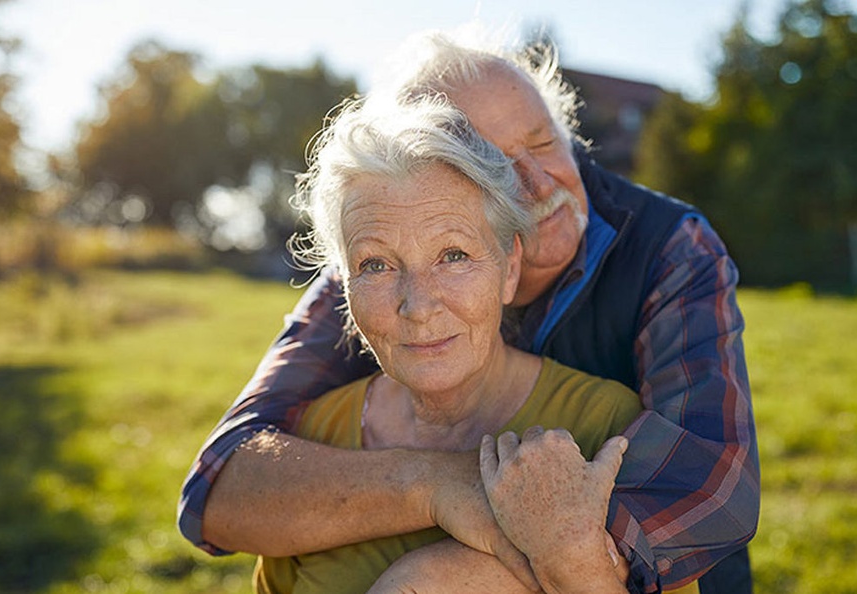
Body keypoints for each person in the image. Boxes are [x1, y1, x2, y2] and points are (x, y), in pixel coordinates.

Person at [179, 28, 759, 594]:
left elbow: (713, 480)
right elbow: (221, 484)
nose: (535, 185)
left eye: (541, 142)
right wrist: (443, 483)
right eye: (493, 163)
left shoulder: (668, 248)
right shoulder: (377, 253)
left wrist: (531, 553)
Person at [253, 94, 661, 594]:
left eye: (453, 255)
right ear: (344, 286)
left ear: (509, 268)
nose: (418, 305)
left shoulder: (609, 428)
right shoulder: (317, 432)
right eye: (375, 265)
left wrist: (573, 561)